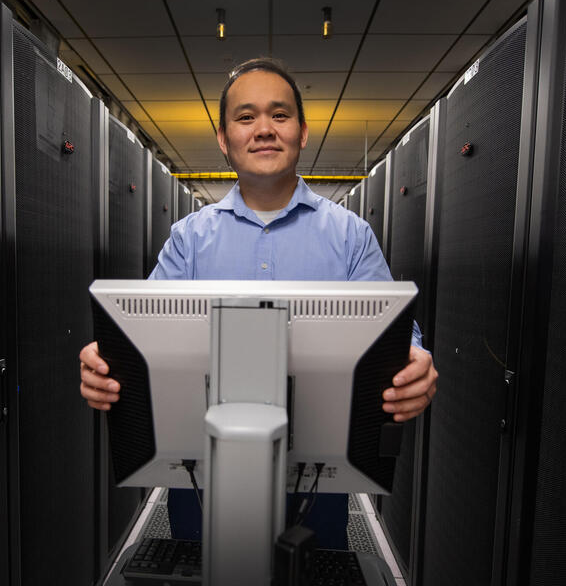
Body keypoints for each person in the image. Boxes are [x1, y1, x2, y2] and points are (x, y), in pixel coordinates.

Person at [79, 58, 438, 549]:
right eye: (246, 117)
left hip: (318, 480)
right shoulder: (189, 239)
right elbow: (139, 336)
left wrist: (416, 363)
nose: (264, 129)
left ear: (303, 132)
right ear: (224, 139)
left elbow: (397, 339)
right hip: (201, 478)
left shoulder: (351, 236)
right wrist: (105, 364)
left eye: (280, 115)